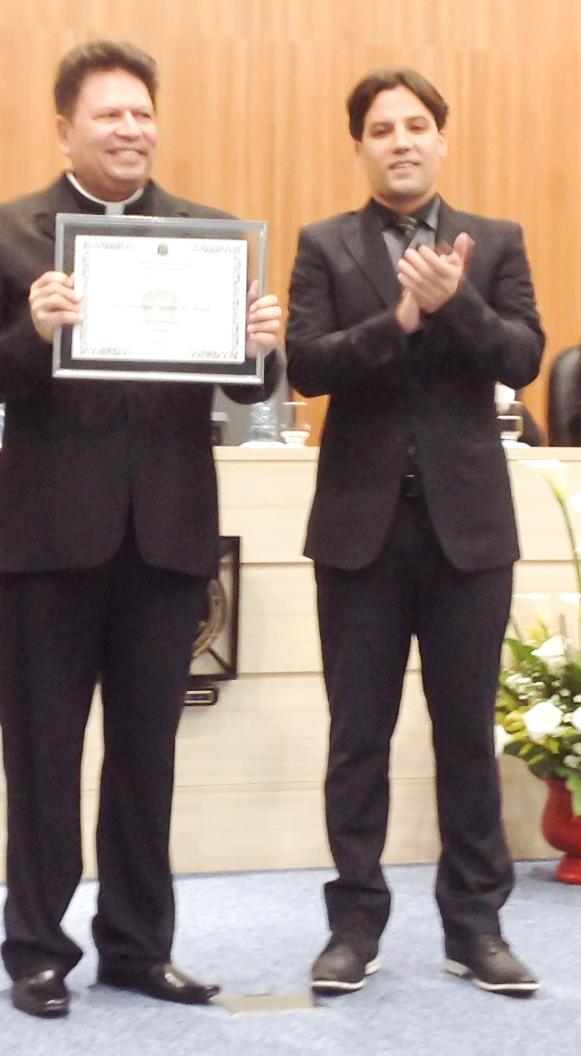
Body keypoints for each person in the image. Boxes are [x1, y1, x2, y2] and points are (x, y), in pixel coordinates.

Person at [0, 39, 282, 1019]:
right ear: (65, 129)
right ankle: (36, 952)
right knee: (42, 759)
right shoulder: (4, 235)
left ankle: (138, 948)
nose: (129, 130)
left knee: (147, 761)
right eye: (108, 114)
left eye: (142, 113)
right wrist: (32, 332)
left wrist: (261, 349)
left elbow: (246, 388)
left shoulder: (209, 236)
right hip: (46, 543)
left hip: (166, 539)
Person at [285, 68, 544, 998]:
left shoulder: (496, 241)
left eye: (416, 125)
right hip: (359, 531)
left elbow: (524, 355)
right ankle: (354, 925)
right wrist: (398, 318)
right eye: (382, 128)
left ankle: (475, 928)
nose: (400, 141)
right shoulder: (324, 245)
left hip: (467, 531)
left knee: (466, 736)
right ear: (359, 146)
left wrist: (455, 300)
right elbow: (305, 366)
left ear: (441, 139)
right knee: (357, 737)